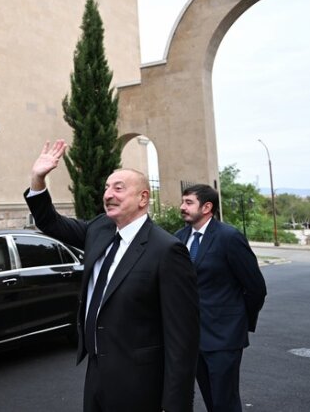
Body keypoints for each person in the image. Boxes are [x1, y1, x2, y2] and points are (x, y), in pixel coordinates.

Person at [25, 139, 199, 412]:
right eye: (107, 187)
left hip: (140, 383)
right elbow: (50, 222)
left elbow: (182, 338)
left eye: (119, 188)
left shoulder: (167, 250)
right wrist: (38, 178)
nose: (108, 194)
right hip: (96, 372)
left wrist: (176, 405)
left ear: (143, 198)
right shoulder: (99, 229)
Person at [176, 184, 267, 412]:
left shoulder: (229, 237)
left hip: (224, 337)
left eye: (189, 203)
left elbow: (255, 287)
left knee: (224, 402)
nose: (182, 207)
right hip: (191, 337)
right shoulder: (179, 237)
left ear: (207, 207)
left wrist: (238, 321)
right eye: (183, 202)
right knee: (209, 399)